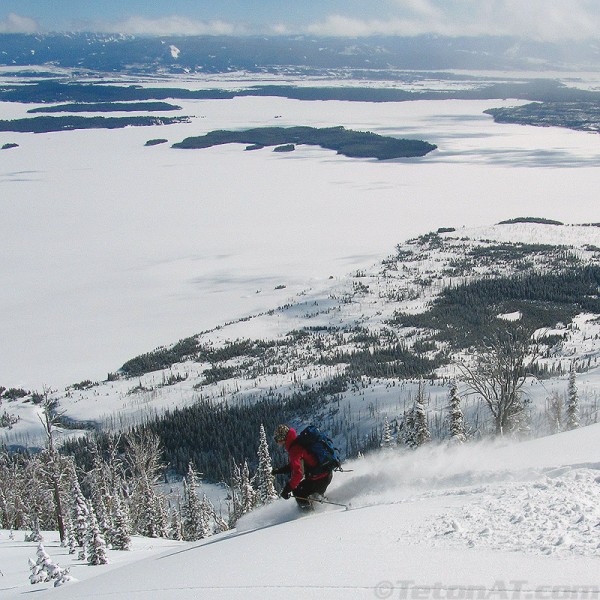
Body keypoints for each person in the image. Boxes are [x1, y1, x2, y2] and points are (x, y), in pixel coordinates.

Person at [272, 424, 333, 508]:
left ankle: (307, 516)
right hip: (325, 474)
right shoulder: (297, 442)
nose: (277, 442)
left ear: (282, 438)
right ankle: (321, 506)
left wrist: (287, 489)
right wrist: (280, 470)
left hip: (320, 478)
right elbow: (298, 463)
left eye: (276, 439)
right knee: (308, 493)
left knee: (298, 492)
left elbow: (298, 474)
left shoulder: (294, 450)